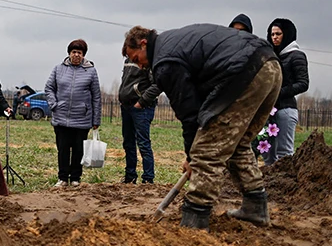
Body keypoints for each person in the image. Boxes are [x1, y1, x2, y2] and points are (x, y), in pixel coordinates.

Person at [123, 24, 281, 230]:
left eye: (137, 59)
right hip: (270, 66)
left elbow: (189, 115)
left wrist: (192, 157)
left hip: (245, 71)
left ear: (143, 44)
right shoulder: (171, 44)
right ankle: (255, 207)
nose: (141, 66)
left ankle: (194, 220)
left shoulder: (165, 61)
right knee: (237, 143)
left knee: (208, 150)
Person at [45, 39, 102, 187]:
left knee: (78, 150)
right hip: (61, 117)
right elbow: (49, 88)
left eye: (79, 53)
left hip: (82, 119)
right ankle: (62, 178)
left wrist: (96, 120)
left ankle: (75, 178)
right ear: (69, 53)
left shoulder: (91, 71)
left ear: (83, 55)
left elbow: (96, 96)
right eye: (74, 52)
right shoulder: (58, 69)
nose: (76, 55)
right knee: (63, 149)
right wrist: (54, 105)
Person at [263, 18, 308, 166]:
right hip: (269, 111)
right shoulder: (271, 56)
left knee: (284, 154)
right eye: (272, 34)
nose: (274, 37)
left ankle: (286, 187)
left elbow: (303, 84)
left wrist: (278, 92)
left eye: (278, 33)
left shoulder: (296, 55)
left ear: (287, 34)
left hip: (286, 110)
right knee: (267, 153)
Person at [118, 51, 160, 184]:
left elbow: (157, 85)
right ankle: (130, 176)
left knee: (143, 143)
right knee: (128, 142)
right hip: (126, 106)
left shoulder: (148, 61)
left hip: (142, 108)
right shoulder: (127, 61)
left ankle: (148, 178)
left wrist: (141, 102)